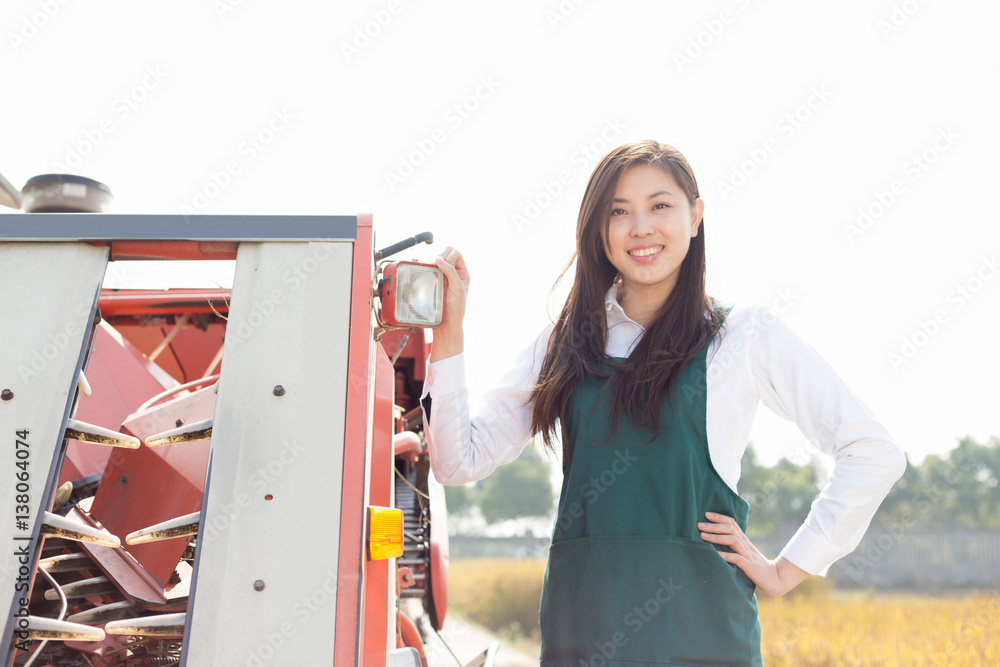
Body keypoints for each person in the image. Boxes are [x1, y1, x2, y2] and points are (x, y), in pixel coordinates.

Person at [420, 140, 906, 666]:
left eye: (660, 206)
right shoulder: (565, 341)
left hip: (703, 640)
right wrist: (450, 332)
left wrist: (788, 568)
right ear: (598, 231)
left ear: (695, 217)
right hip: (583, 639)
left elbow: (872, 451)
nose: (641, 228)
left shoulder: (743, 334)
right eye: (619, 212)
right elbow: (455, 461)